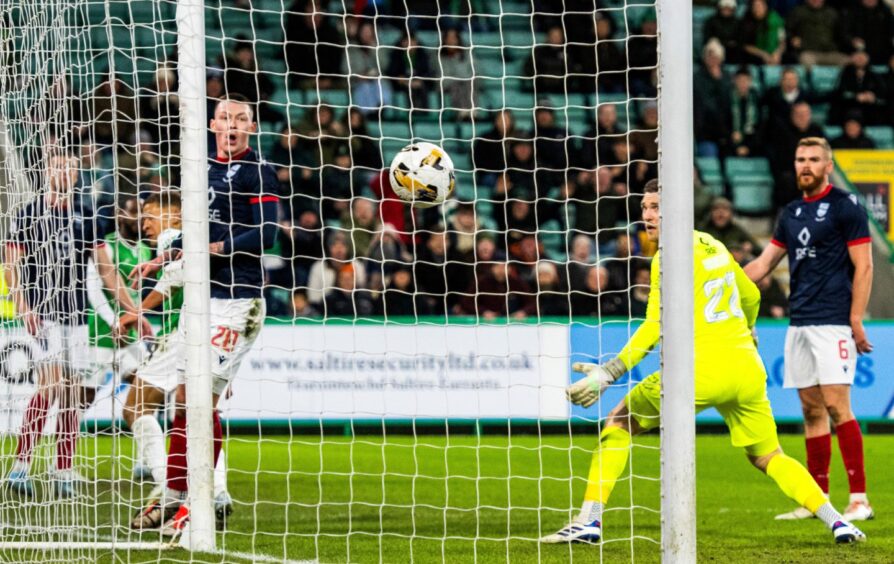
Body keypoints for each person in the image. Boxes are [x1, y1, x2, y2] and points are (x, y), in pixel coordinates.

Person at [541, 178, 865, 545]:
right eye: (645, 207)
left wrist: (609, 373)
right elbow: (750, 295)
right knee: (769, 456)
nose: (647, 215)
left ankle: (589, 520)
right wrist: (750, 329)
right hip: (745, 369)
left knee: (619, 421)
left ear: (676, 208)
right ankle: (838, 521)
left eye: (656, 207)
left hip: (698, 371)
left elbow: (653, 326)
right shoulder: (716, 245)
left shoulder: (668, 256)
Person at [123, 93, 279, 537]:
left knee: (196, 401)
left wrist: (220, 248)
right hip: (200, 304)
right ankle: (174, 496)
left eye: (241, 119)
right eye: (225, 117)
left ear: (251, 127)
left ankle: (200, 500)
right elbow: (195, 230)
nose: (232, 125)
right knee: (150, 402)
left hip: (238, 301)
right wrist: (162, 258)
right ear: (212, 124)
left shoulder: (258, 171)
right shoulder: (201, 171)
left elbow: (267, 231)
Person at [744, 137, 874, 522]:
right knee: (810, 410)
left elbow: (864, 266)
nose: (806, 165)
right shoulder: (792, 212)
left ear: (828, 165)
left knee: (837, 406)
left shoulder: (845, 206)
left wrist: (855, 318)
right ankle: (815, 499)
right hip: (798, 321)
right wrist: (724, 279)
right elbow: (764, 264)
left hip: (834, 320)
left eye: (814, 159)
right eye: (801, 159)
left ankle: (859, 500)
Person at [4, 153, 144, 497]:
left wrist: (135, 312)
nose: (64, 172)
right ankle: (20, 467)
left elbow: (107, 271)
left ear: (77, 174)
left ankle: (62, 467)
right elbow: (12, 265)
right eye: (57, 166)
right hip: (44, 314)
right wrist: (24, 309)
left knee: (72, 395)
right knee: (51, 386)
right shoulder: (29, 214)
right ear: (47, 171)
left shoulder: (86, 216)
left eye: (70, 167)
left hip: (76, 317)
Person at [117, 192, 233, 525]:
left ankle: (173, 490)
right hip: (210, 331)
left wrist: (137, 311)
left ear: (178, 217)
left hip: (185, 334)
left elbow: (173, 280)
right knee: (198, 411)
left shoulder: (172, 239)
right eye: (143, 216)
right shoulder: (189, 243)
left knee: (136, 407)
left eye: (153, 214)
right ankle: (217, 491)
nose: (146, 223)